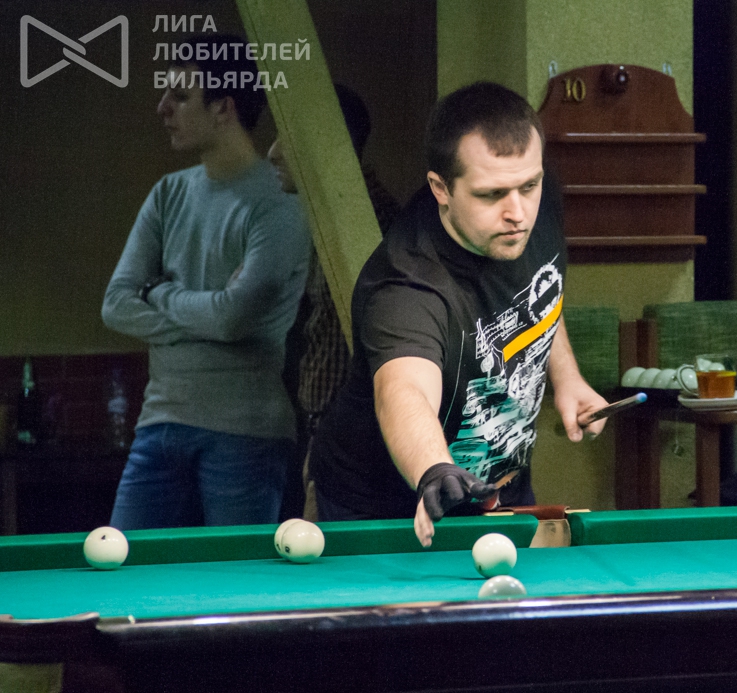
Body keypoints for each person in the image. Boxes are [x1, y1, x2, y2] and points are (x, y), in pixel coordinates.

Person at [308, 82, 609, 546]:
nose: (517, 212)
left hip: (497, 487)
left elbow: (540, 290)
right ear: (441, 188)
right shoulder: (407, 284)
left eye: (528, 186)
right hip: (382, 505)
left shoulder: (537, 197)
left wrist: (566, 377)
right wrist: (433, 467)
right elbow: (403, 391)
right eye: (491, 194)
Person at [101, 34, 312, 529]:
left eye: (179, 95)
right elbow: (115, 304)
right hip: (158, 422)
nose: (162, 108)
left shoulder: (280, 200)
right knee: (123, 565)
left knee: (239, 573)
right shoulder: (168, 193)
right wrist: (212, 316)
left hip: (246, 431)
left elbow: (233, 318)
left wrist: (158, 292)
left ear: (223, 107)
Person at [267, 84, 400, 521]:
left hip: (354, 441)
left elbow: (373, 344)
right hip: (332, 432)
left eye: (285, 136)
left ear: (324, 142)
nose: (272, 153)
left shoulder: (368, 221)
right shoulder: (334, 218)